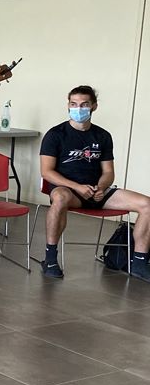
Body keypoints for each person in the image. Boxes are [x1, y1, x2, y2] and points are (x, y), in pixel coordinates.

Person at [39, 85, 150, 280]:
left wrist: (102, 187)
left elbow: (108, 172)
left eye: (84, 104)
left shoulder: (102, 136)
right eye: (73, 104)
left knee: (147, 204)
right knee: (59, 199)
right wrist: (77, 187)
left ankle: (139, 262)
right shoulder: (55, 134)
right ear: (68, 105)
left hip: (98, 191)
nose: (78, 109)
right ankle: (50, 259)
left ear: (94, 107)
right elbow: (46, 172)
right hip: (69, 190)